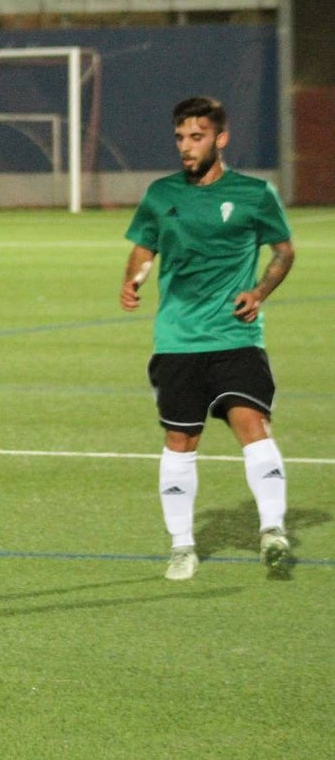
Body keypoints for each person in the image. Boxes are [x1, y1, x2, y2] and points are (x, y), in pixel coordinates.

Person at [120, 96, 295, 581]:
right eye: (180, 138)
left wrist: (260, 290)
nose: (186, 147)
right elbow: (144, 247)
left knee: (252, 424)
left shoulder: (255, 194)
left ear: (220, 138)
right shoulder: (160, 194)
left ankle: (273, 531)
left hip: (235, 335)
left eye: (196, 137)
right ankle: (182, 546)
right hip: (178, 339)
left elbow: (283, 252)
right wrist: (132, 279)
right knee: (180, 438)